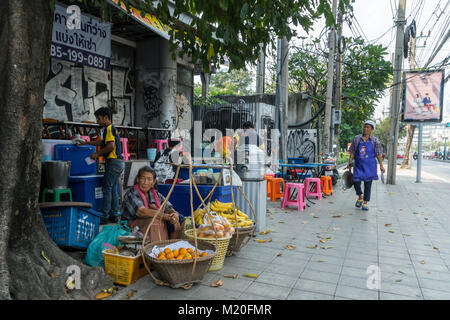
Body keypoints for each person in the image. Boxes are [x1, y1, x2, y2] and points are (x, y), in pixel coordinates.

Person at [78, 107, 124, 224]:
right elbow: (102, 142)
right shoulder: (110, 129)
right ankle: (113, 214)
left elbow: (110, 146)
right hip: (118, 163)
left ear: (106, 118)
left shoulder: (109, 129)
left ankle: (104, 215)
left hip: (113, 162)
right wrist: (87, 142)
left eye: (98, 119)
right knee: (112, 188)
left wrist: (97, 153)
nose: (97, 121)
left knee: (107, 188)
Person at [121, 166, 185, 242]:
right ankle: (155, 248)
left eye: (149, 179)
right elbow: (142, 212)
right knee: (155, 221)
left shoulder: (154, 193)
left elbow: (168, 207)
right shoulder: (132, 193)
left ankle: (170, 245)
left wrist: (174, 214)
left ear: (154, 182)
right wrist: (164, 216)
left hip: (147, 222)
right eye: (142, 178)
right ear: (138, 179)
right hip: (130, 225)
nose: (145, 182)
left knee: (180, 219)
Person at [347, 120, 385, 211]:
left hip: (370, 166)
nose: (365, 128)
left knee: (368, 185)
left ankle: (365, 203)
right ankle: (360, 196)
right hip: (359, 165)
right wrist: (349, 162)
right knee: (356, 182)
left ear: (372, 129)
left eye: (368, 127)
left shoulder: (375, 140)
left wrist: (381, 165)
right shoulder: (357, 139)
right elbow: (352, 151)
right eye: (364, 126)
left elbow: (378, 153)